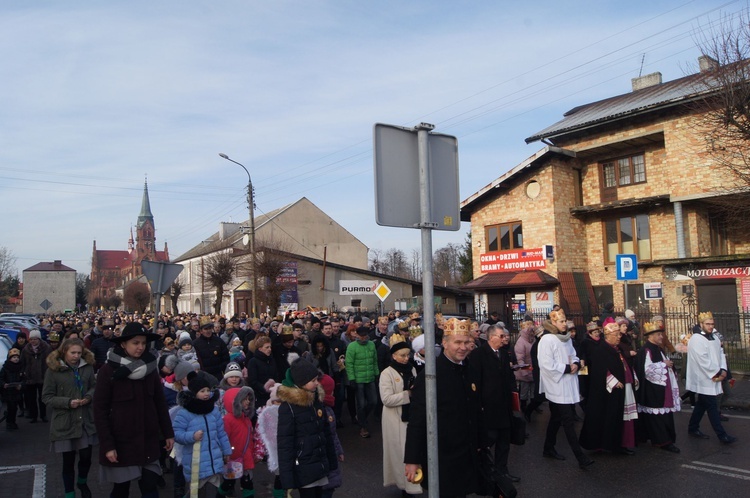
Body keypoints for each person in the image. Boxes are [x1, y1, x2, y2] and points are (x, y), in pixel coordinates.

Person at [93, 322, 175, 498]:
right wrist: (108, 445)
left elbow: (160, 404)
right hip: (122, 443)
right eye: (135, 343)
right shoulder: (108, 371)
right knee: (121, 490)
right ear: (123, 344)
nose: (140, 347)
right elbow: (100, 411)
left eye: (143, 343)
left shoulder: (151, 369)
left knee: (150, 488)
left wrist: (168, 433)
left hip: (148, 440)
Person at [404, 318, 483, 497]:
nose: (463, 347)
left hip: (466, 451)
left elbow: (475, 410)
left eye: (466, 342)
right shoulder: (431, 375)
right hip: (443, 455)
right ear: (445, 344)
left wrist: (480, 442)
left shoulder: (469, 369)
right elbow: (417, 419)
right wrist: (412, 459)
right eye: (457, 342)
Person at [537, 309, 594, 469]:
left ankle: (548, 448)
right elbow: (546, 364)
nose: (565, 324)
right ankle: (580, 457)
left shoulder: (566, 338)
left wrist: (576, 363)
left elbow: (573, 354)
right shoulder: (547, 340)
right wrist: (568, 368)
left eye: (565, 321)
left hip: (568, 382)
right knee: (567, 420)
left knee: (556, 417)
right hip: (557, 385)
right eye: (561, 321)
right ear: (553, 322)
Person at [42, 338, 97, 498]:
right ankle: (69, 492)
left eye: (79, 353)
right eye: (73, 353)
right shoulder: (53, 370)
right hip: (65, 420)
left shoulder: (86, 367)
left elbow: (93, 386)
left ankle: (82, 481)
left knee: (86, 456)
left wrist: (88, 396)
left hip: (85, 419)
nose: (76, 356)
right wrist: (67, 402)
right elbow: (47, 397)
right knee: (68, 460)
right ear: (64, 352)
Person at [277, 358, 338, 497]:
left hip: (319, 463)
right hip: (303, 467)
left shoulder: (316, 400)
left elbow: (326, 433)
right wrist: (286, 479)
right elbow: (285, 445)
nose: (317, 383)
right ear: (301, 382)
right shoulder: (289, 408)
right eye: (313, 380)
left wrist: (332, 461)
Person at [579, 323, 638, 455]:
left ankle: (621, 443)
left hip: (622, 388)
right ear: (608, 335)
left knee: (622, 417)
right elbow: (599, 370)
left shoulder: (617, 348)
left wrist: (631, 376)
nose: (618, 337)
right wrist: (613, 381)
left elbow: (624, 365)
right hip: (608, 391)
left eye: (619, 335)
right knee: (607, 417)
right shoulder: (601, 349)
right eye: (616, 335)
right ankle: (610, 445)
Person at [472, 324, 520, 485]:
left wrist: (514, 396)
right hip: (488, 407)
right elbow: (476, 382)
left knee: (504, 442)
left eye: (505, 336)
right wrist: (479, 405)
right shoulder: (478, 355)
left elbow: (509, 376)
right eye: (501, 336)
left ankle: (502, 471)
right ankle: (482, 471)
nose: (504, 338)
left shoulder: (504, 354)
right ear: (490, 337)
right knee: (487, 441)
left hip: (504, 405)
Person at [173, 371, 232, 496]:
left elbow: (221, 433)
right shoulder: (185, 413)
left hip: (213, 461)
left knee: (212, 491)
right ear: (194, 393)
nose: (206, 394)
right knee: (194, 493)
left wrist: (226, 451)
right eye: (202, 391)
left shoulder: (213, 410)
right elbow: (177, 434)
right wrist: (191, 436)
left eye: (207, 390)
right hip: (196, 464)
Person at [379, 337, 421, 497]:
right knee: (400, 453)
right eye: (402, 355)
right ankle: (405, 486)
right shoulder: (387, 373)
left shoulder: (411, 369)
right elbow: (386, 399)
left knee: (411, 450)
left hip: (411, 415)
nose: (406, 358)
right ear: (394, 356)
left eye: (407, 355)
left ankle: (413, 483)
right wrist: (408, 394)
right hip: (394, 419)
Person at [685, 311, 736, 443]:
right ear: (701, 324)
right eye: (707, 324)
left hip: (715, 375)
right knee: (712, 407)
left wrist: (723, 369)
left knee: (701, 404)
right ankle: (722, 435)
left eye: (712, 324)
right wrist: (717, 372)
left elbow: (721, 354)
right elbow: (702, 360)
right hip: (704, 378)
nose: (710, 326)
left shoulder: (715, 337)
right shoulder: (696, 339)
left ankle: (692, 427)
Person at [634, 321, 681, 453]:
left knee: (664, 414)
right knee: (657, 416)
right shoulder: (646, 350)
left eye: (661, 334)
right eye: (659, 335)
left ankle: (665, 439)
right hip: (653, 389)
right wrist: (663, 364)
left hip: (662, 388)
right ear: (651, 336)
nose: (661, 337)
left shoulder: (658, 349)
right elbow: (647, 370)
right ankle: (662, 441)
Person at [220, 386, 257, 498]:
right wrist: (226, 454)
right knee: (228, 483)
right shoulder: (228, 420)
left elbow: (249, 438)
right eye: (244, 399)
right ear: (234, 402)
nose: (247, 402)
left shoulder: (246, 418)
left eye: (248, 399)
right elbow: (224, 438)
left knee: (248, 483)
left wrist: (253, 452)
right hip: (233, 458)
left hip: (246, 457)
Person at [345, 326, 379, 439]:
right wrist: (352, 378)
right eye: (362, 336)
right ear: (357, 335)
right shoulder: (352, 346)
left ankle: (362, 418)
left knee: (373, 401)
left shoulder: (371, 345)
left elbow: (374, 361)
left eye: (365, 336)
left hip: (370, 377)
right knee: (361, 404)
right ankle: (363, 426)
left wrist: (376, 373)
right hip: (358, 379)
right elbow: (349, 364)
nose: (364, 338)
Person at [320, 374, 345, 498]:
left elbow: (333, 434)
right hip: (325, 459)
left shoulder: (328, 409)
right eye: (332, 390)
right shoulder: (323, 411)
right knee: (326, 490)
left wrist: (339, 450)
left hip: (331, 455)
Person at [22, 328, 52, 423]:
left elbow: (50, 361)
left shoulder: (46, 348)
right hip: (30, 377)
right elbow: (22, 362)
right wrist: (23, 372)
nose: (33, 341)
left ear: (39, 339)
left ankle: (43, 415)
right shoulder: (26, 349)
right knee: (31, 398)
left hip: (43, 376)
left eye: (35, 339)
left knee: (42, 398)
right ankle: (34, 416)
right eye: (31, 339)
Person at [514, 320, 535, 413]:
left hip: (533, 369)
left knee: (534, 390)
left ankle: (532, 406)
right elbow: (520, 358)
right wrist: (524, 370)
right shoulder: (521, 342)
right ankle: (523, 406)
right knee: (524, 391)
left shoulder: (533, 340)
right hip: (525, 370)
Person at [1, 347, 25, 430]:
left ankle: (13, 422)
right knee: (10, 407)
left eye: (17, 357)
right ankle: (9, 422)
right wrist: (4, 384)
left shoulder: (20, 367)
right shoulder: (5, 368)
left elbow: (24, 380)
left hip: (17, 391)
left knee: (14, 408)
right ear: (10, 358)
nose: (16, 359)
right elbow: (1, 379)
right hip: (8, 391)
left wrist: (21, 385)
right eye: (14, 357)